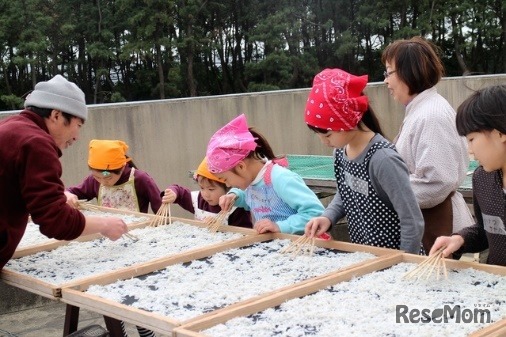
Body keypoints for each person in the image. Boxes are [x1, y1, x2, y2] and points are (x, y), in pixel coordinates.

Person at [0, 75, 128, 271]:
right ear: (56, 115)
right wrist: (104, 225)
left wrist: (59, 197)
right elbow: (55, 221)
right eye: (78, 125)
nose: (77, 137)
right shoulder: (36, 143)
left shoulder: (10, 127)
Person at [303, 68, 424, 254]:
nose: (323, 141)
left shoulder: (383, 159)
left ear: (347, 121)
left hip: (393, 260)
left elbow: (411, 220)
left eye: (327, 134)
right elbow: (346, 193)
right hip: (364, 257)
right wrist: (327, 217)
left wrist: (404, 263)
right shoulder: (341, 153)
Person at [381, 36, 473, 253]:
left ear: (408, 71)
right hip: (431, 221)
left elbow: (436, 182)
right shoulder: (421, 110)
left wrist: (387, 191)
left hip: (441, 223)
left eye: (388, 72)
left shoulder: (431, 115)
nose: (385, 81)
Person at [206, 114, 325, 235]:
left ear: (241, 167)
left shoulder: (281, 179)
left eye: (225, 179)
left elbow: (316, 213)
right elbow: (254, 200)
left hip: (299, 245)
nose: (227, 184)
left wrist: (279, 226)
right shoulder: (252, 181)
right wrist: (235, 196)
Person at [430, 85, 506, 266]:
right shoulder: (482, 179)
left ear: (500, 133)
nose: (470, 150)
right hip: (494, 286)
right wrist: (460, 240)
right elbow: (485, 229)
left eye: (472, 139)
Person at [65, 139, 162, 214]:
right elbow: (70, 192)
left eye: (108, 178)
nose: (102, 182)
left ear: (122, 168)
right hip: (107, 234)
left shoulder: (141, 179)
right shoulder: (93, 181)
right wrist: (68, 195)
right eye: (97, 177)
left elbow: (161, 210)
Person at [162, 157, 253, 228]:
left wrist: (220, 227)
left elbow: (244, 234)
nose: (205, 194)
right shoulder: (198, 200)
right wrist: (173, 193)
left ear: (227, 186)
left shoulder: (236, 207)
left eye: (211, 189)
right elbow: (180, 192)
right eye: (202, 188)